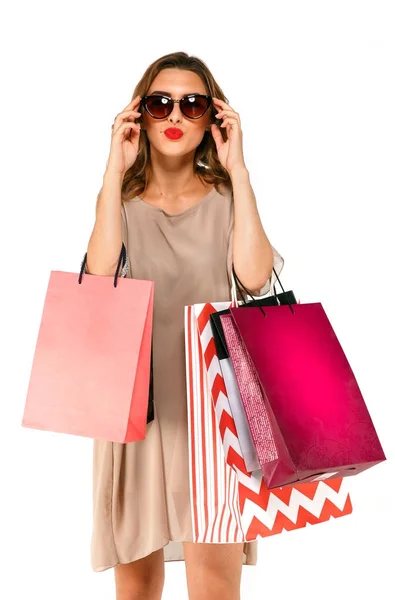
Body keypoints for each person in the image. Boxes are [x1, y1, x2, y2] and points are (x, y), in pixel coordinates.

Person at [85, 51, 284, 600]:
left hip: (216, 414)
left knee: (216, 584)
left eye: (193, 104)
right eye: (160, 102)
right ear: (140, 116)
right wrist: (112, 168)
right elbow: (98, 276)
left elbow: (255, 274)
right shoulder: (119, 202)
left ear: (212, 120)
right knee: (138, 585)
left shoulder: (227, 201)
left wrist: (238, 170)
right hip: (138, 410)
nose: (175, 114)